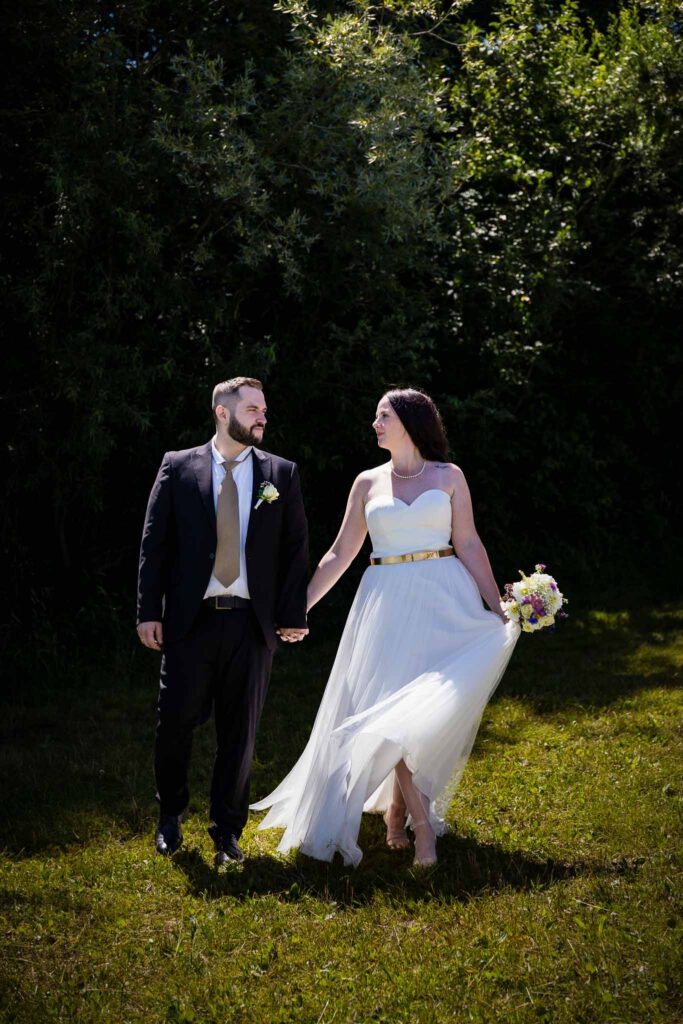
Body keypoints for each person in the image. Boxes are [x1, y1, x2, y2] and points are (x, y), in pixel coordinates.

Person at [251, 388, 520, 867]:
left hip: (445, 596)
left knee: (422, 712)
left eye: (383, 416)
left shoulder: (449, 476)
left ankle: (398, 811)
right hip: (386, 602)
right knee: (391, 712)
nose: (374, 423)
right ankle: (422, 830)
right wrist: (300, 608)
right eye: (375, 415)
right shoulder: (367, 482)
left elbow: (470, 543)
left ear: (411, 422)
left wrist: (496, 606)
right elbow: (339, 554)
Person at [137, 376, 309, 865]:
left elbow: (296, 551)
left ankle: (227, 830)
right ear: (221, 412)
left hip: (251, 627)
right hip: (191, 622)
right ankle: (170, 815)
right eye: (252, 408)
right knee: (175, 722)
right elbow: (155, 545)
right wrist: (149, 611)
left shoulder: (281, 473)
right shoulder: (178, 467)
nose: (262, 417)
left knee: (241, 732)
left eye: (264, 409)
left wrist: (291, 614)